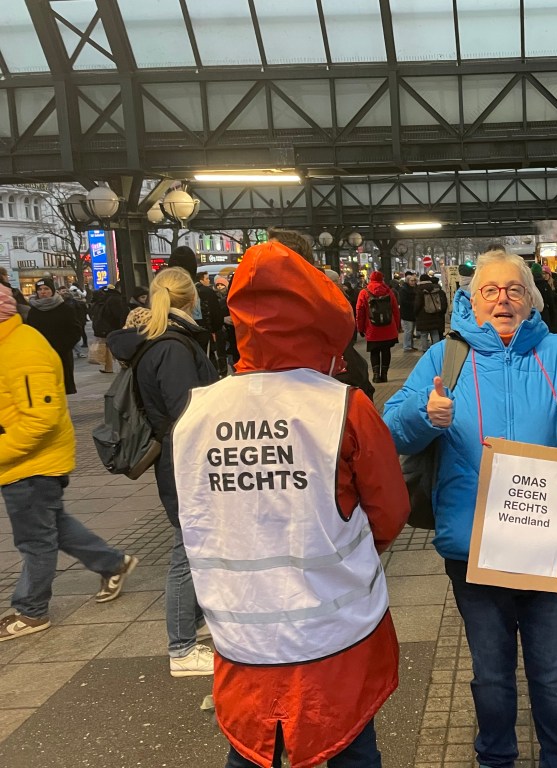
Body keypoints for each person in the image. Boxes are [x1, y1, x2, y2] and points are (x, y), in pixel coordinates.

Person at [384, 249, 557, 768]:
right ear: (472, 303)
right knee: (490, 675)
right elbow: (391, 431)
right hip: (474, 545)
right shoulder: (444, 359)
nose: (503, 299)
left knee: (554, 675)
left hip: (549, 543)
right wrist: (425, 415)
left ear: (531, 299)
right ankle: (495, 759)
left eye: (514, 289)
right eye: (490, 290)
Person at [173, 241, 409, 768]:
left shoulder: (197, 413)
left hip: (242, 636)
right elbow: (390, 511)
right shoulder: (344, 406)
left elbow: (194, 514)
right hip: (335, 634)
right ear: (325, 324)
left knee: (252, 754)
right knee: (350, 751)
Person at [0, 283, 137, 642]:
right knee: (52, 526)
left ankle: (31, 611)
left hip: (32, 463)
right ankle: (112, 563)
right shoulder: (11, 344)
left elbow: (39, 418)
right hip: (27, 462)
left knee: (34, 539)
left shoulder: (21, 349)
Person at [105, 267, 218, 676]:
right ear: (190, 299)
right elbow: (187, 412)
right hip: (186, 460)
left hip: (180, 458)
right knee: (186, 552)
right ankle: (182, 648)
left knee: (192, 547)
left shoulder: (160, 340)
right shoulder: (172, 347)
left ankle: (193, 628)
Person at [27, 277, 82, 395]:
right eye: (40, 289)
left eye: (46, 288)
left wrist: (64, 346)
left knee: (61, 388)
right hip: (41, 357)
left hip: (61, 354)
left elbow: (75, 330)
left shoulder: (64, 308)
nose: (43, 292)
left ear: (52, 290)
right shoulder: (33, 311)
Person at [355, 270, 401, 383]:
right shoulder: (388, 291)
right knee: (386, 351)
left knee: (374, 351)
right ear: (382, 279)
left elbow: (359, 312)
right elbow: (395, 310)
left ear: (370, 279)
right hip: (388, 328)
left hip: (372, 328)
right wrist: (397, 326)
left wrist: (360, 328)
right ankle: (384, 375)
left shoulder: (364, 292)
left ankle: (376, 375)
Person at [413, 271, 448, 352]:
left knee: (424, 334)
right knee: (435, 333)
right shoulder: (436, 288)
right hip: (435, 314)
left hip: (423, 316)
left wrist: (415, 313)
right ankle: (437, 350)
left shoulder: (419, 289)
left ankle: (425, 351)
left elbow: (417, 304)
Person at [398, 271, 418, 352]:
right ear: (407, 281)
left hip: (412, 313)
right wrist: (414, 303)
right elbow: (403, 301)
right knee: (408, 331)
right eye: (411, 281)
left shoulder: (414, 289)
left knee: (411, 331)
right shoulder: (404, 290)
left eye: (414, 281)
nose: (413, 282)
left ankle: (410, 346)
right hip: (406, 313)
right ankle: (407, 346)